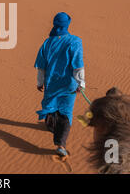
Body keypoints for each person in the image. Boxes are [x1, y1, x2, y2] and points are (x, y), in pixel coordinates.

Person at [34, 12, 85, 157]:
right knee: (66, 112)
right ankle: (61, 145)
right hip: (69, 85)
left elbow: (41, 66)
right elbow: (78, 65)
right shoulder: (75, 41)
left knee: (52, 105)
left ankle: (52, 126)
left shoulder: (47, 43)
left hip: (51, 83)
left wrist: (40, 82)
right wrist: (81, 83)